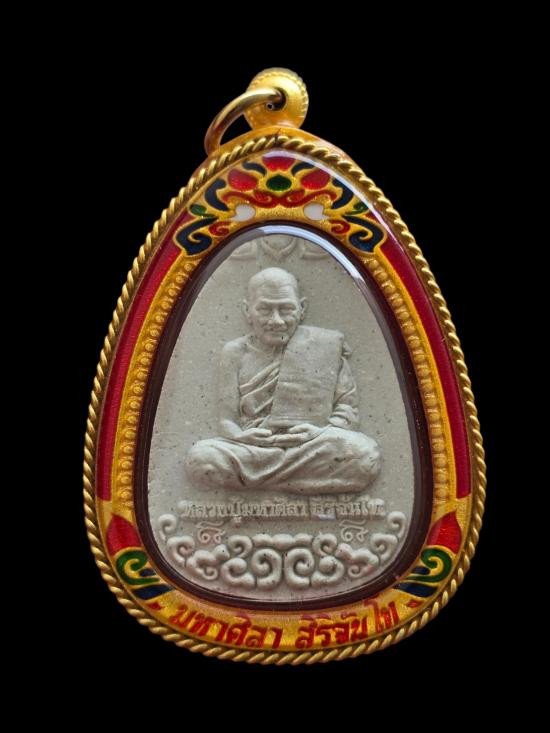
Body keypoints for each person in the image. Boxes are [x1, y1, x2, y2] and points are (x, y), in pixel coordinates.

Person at [184, 267, 380, 495]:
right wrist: (240, 436)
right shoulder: (234, 352)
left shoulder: (326, 346)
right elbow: (227, 420)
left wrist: (318, 433)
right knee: (201, 458)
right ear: (248, 311)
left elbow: (347, 411)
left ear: (302, 309)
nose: (276, 320)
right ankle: (301, 487)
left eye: (286, 309)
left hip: (311, 445)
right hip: (254, 448)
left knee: (365, 454)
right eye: (265, 309)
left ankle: (260, 486)